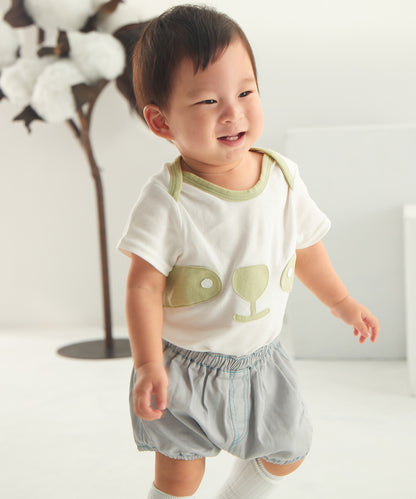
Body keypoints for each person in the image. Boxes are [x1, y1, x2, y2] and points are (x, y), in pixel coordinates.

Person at [117, 5, 380, 498]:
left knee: (288, 450)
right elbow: (143, 287)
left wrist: (341, 302)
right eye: (208, 101)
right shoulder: (167, 199)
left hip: (263, 360)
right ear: (160, 121)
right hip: (184, 368)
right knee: (180, 474)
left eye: (245, 92)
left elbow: (306, 247)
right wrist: (149, 363)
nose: (232, 112)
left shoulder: (282, 177)